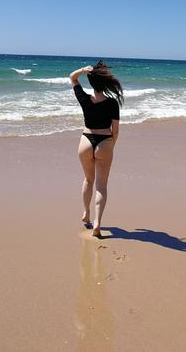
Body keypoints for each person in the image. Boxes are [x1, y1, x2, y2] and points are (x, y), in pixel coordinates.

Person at [70, 60, 123, 238]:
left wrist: (83, 70)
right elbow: (116, 130)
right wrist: (110, 146)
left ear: (91, 82)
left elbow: (72, 78)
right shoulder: (112, 103)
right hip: (105, 142)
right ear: (105, 82)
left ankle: (86, 213)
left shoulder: (84, 99)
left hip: (86, 141)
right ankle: (97, 224)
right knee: (101, 185)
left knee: (88, 179)